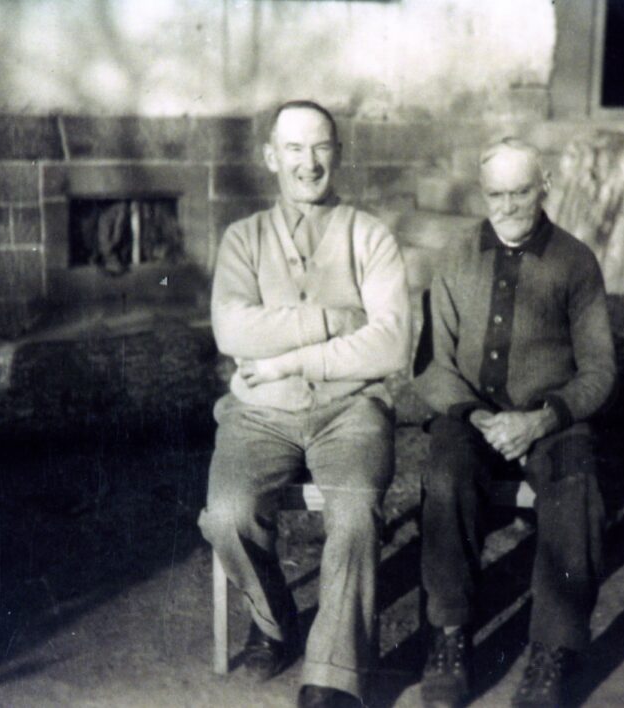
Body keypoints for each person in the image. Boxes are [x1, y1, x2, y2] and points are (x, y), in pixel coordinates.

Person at [198, 100, 412, 708]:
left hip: (351, 410)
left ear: (338, 154)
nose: (308, 163)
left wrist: (293, 357)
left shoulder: (370, 235)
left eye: (320, 147)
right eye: (293, 148)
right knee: (227, 515)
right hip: (259, 412)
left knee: (354, 513)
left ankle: (333, 675)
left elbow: (391, 343)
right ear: (271, 157)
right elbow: (232, 330)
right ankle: (274, 622)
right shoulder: (242, 239)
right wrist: (332, 320)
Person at [415, 138, 616, 708]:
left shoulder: (575, 261)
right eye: (496, 194)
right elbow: (430, 364)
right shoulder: (456, 256)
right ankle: (450, 635)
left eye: (521, 192)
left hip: (551, 418)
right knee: (445, 476)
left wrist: (541, 420)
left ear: (544, 186)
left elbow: (600, 370)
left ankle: (552, 651)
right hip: (472, 415)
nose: (507, 206)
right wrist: (478, 416)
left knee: (576, 486)